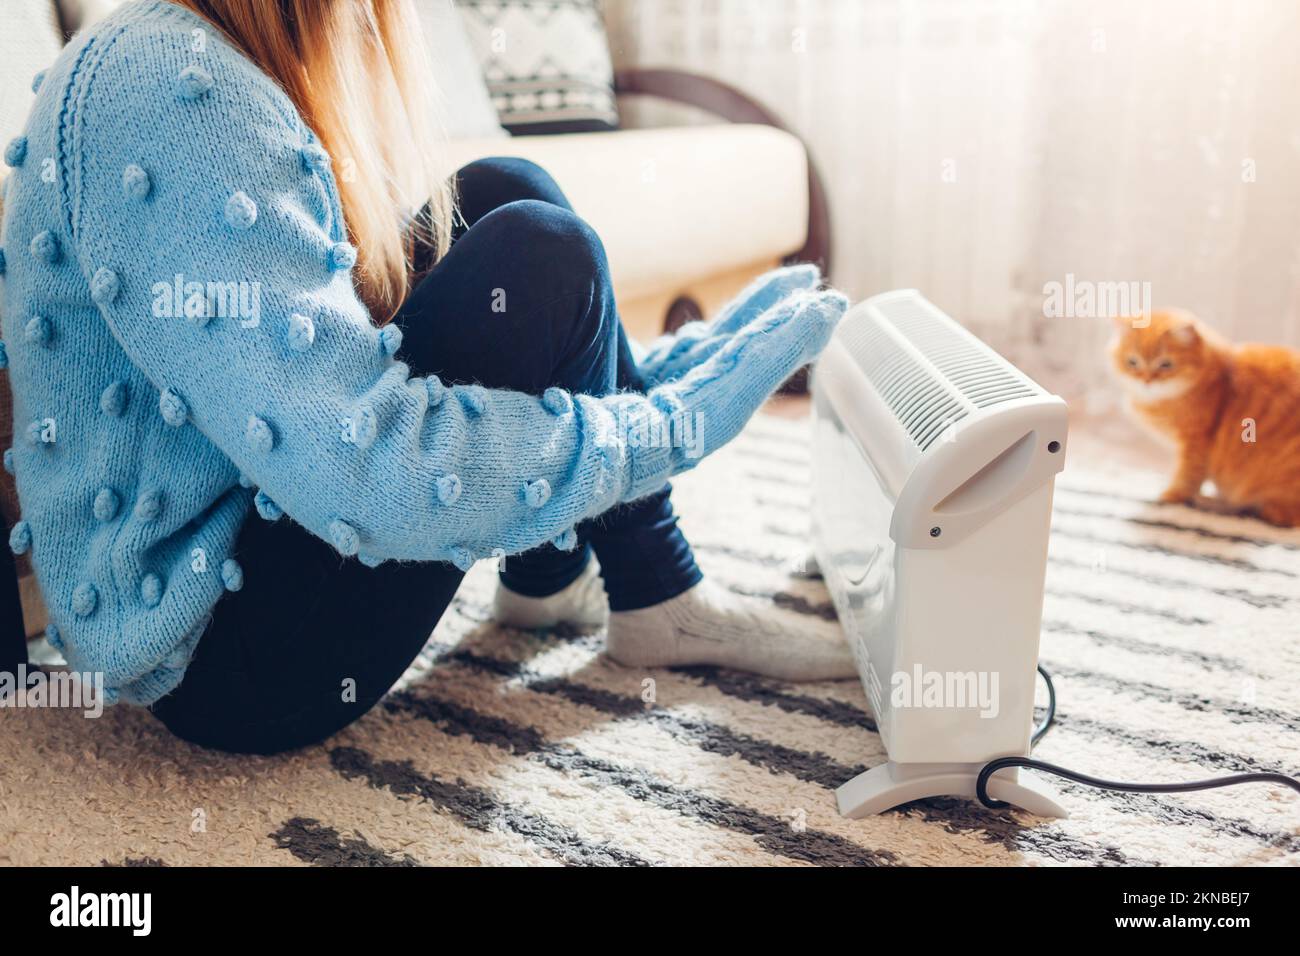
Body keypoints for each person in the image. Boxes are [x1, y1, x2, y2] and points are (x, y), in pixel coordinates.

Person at [0, 0, 852, 754]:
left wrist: (656, 386)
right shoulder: (179, 92)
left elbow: (312, 352)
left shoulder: (170, 51)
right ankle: (654, 587)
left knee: (504, 191)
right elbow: (372, 473)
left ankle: (550, 584)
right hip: (227, 664)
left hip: (241, 547)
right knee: (542, 255)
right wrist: (665, 428)